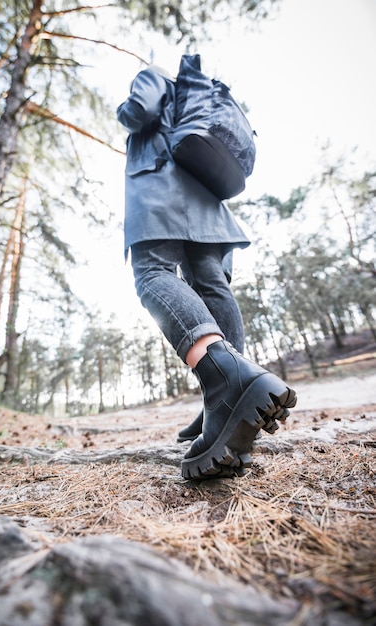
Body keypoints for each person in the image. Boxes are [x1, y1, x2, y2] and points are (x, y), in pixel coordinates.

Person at [117, 62, 297, 480]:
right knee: (211, 284)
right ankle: (224, 406)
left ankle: (224, 384)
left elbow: (139, 111)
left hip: (162, 186)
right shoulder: (194, 93)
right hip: (205, 198)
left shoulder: (152, 76)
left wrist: (123, 111)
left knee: (151, 273)